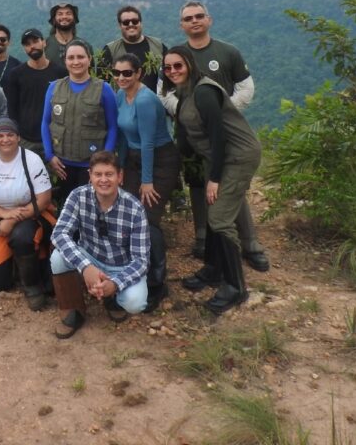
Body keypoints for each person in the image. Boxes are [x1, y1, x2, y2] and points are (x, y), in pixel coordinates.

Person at [166, 0, 269, 272]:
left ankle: (250, 244)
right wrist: (189, 112)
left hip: (223, 137)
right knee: (199, 186)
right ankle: (203, 238)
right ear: (182, 25)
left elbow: (246, 87)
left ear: (209, 20)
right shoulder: (176, 56)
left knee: (229, 188)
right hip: (190, 136)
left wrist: (221, 114)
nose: (194, 21)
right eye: (188, 18)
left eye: (199, 16)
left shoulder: (227, 52)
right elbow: (163, 92)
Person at [163, 45, 261, 314]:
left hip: (238, 156)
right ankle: (214, 268)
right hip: (217, 158)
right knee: (212, 213)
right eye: (168, 68)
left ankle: (235, 287)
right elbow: (184, 137)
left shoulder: (205, 92)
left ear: (190, 65)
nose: (173, 71)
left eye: (178, 66)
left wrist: (215, 179)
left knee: (219, 218)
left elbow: (219, 137)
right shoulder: (184, 93)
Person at [50, 151, 150, 337]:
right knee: (57, 258)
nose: (103, 180)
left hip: (121, 266)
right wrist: (86, 267)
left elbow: (141, 261)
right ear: (90, 176)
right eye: (98, 174)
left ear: (120, 177)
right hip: (90, 257)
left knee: (135, 302)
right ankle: (73, 310)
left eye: (109, 174)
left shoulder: (135, 209)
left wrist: (115, 283)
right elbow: (59, 233)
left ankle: (111, 297)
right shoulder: (78, 196)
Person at [0, 118, 55, 310]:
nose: (5, 139)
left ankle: (32, 286)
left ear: (18, 138)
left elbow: (44, 198)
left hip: (31, 214)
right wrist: (4, 214)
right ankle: (19, 261)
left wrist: (13, 219)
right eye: (0, 136)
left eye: (10, 135)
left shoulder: (31, 159)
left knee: (22, 237)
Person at [112, 53, 177, 310]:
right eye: (117, 73)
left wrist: (147, 181)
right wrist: (121, 169)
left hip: (160, 160)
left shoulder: (145, 99)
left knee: (148, 218)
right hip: (135, 161)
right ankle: (134, 271)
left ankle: (158, 283)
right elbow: (125, 137)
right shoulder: (120, 95)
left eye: (127, 73)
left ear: (138, 73)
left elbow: (148, 141)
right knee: (129, 214)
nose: (121, 78)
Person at [41, 39, 118, 204]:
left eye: (81, 57)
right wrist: (50, 156)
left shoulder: (104, 89)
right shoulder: (54, 88)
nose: (76, 62)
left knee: (92, 208)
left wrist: (104, 161)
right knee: (67, 208)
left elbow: (112, 127)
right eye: (71, 58)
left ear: (89, 59)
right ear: (65, 61)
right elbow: (45, 122)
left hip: (90, 165)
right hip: (62, 165)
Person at [5, 28, 66, 159]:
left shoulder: (60, 73)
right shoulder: (16, 75)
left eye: (35, 41)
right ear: (24, 48)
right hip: (26, 139)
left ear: (44, 42)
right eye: (27, 44)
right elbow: (12, 109)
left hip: (53, 138)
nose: (32, 46)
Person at [98, 6, 166, 92]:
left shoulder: (158, 46)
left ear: (140, 23)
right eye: (126, 22)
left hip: (156, 103)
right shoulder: (110, 50)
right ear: (120, 25)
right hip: (122, 103)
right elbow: (101, 84)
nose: (131, 24)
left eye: (135, 21)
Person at [44, 2, 93, 68]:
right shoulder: (44, 45)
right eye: (60, 14)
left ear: (74, 18)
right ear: (54, 20)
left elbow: (90, 72)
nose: (64, 17)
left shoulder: (85, 46)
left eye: (68, 13)